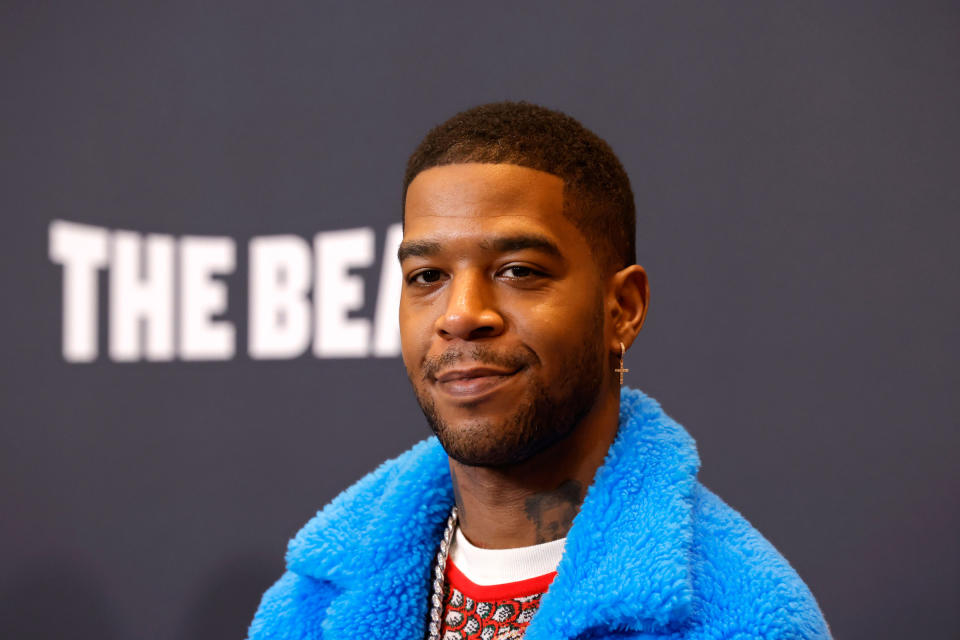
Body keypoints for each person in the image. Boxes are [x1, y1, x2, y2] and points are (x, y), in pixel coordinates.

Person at [247, 102, 831, 640]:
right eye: (427, 276)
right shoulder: (308, 606)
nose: (461, 315)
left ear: (622, 309)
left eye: (519, 270)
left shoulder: (741, 618)